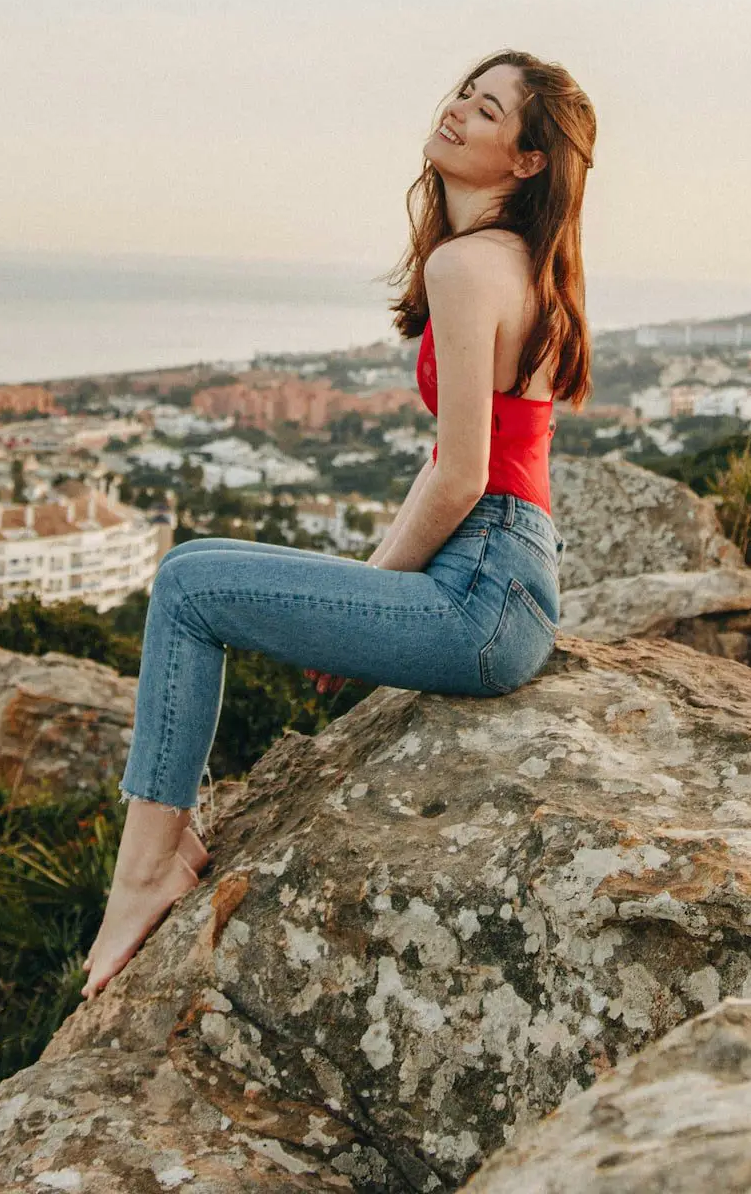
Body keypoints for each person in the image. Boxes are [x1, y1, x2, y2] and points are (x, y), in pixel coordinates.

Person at [81, 49, 596, 997]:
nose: (456, 111)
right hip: (503, 578)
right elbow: (448, 465)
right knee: (199, 562)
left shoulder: (466, 265)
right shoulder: (517, 263)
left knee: (188, 586)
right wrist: (365, 590)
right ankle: (165, 842)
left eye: (487, 111)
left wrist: (380, 589)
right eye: (463, 93)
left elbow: (463, 477)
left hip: (481, 594)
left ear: (527, 161)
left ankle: (147, 867)